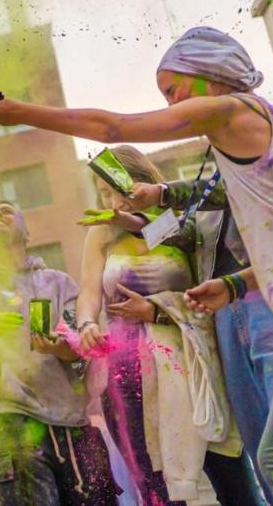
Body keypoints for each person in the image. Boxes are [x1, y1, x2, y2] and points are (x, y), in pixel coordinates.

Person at [0, 25, 273, 505]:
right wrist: (234, 285)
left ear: (210, 73)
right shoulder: (269, 137)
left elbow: (113, 128)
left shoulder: (231, 109)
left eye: (173, 90)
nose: (170, 105)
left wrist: (19, 111)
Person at [77, 146, 257, 505]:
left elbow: (202, 287)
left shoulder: (181, 224)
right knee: (155, 478)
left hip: (190, 359)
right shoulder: (100, 235)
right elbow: (88, 294)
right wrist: (85, 324)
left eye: (113, 189)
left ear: (136, 182)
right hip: (128, 371)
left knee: (225, 469)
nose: (109, 199)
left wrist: (156, 311)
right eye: (102, 193)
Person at [125, 171, 273, 503]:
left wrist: (161, 193)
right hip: (224, 314)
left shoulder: (247, 158)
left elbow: (225, 188)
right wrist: (132, 221)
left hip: (265, 298)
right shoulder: (210, 178)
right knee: (255, 430)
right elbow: (189, 231)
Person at [0, 201, 119, 506]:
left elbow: (81, 353)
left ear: (27, 233)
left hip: (72, 422)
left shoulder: (58, 283)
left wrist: (64, 349)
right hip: (6, 423)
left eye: (7, 210)